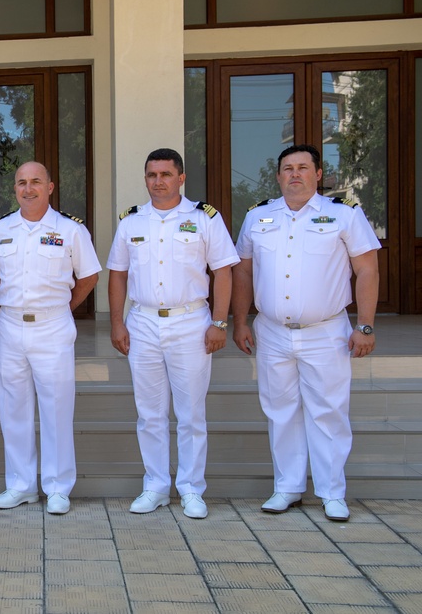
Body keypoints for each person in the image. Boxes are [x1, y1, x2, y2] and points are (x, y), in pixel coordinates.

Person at [232, 144, 380, 523]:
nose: (294, 174)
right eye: (287, 168)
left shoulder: (343, 216)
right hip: (273, 331)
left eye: (302, 167)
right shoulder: (258, 217)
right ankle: (288, 487)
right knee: (280, 411)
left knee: (328, 412)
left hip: (325, 330)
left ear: (318, 174)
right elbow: (244, 273)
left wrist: (365, 325)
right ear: (278, 176)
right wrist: (239, 321)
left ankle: (332, 492)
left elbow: (367, 270)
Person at [107, 148, 238, 519]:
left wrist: (220, 322)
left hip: (191, 322)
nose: (158, 181)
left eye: (166, 174)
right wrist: (117, 322)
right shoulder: (131, 222)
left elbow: (224, 271)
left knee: (191, 412)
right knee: (149, 413)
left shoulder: (204, 218)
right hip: (143, 322)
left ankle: (192, 489)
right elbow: (117, 274)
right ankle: (156, 486)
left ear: (181, 178)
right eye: (152, 175)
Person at [0, 161, 101, 515]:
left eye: (36, 182)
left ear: (50, 187)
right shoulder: (0, 229)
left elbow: (90, 276)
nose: (28, 188)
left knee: (57, 409)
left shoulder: (70, 230)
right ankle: (21, 486)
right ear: (14, 188)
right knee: (13, 409)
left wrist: (62, 305)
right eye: (21, 182)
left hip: (52, 327)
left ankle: (58, 487)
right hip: (10, 327)